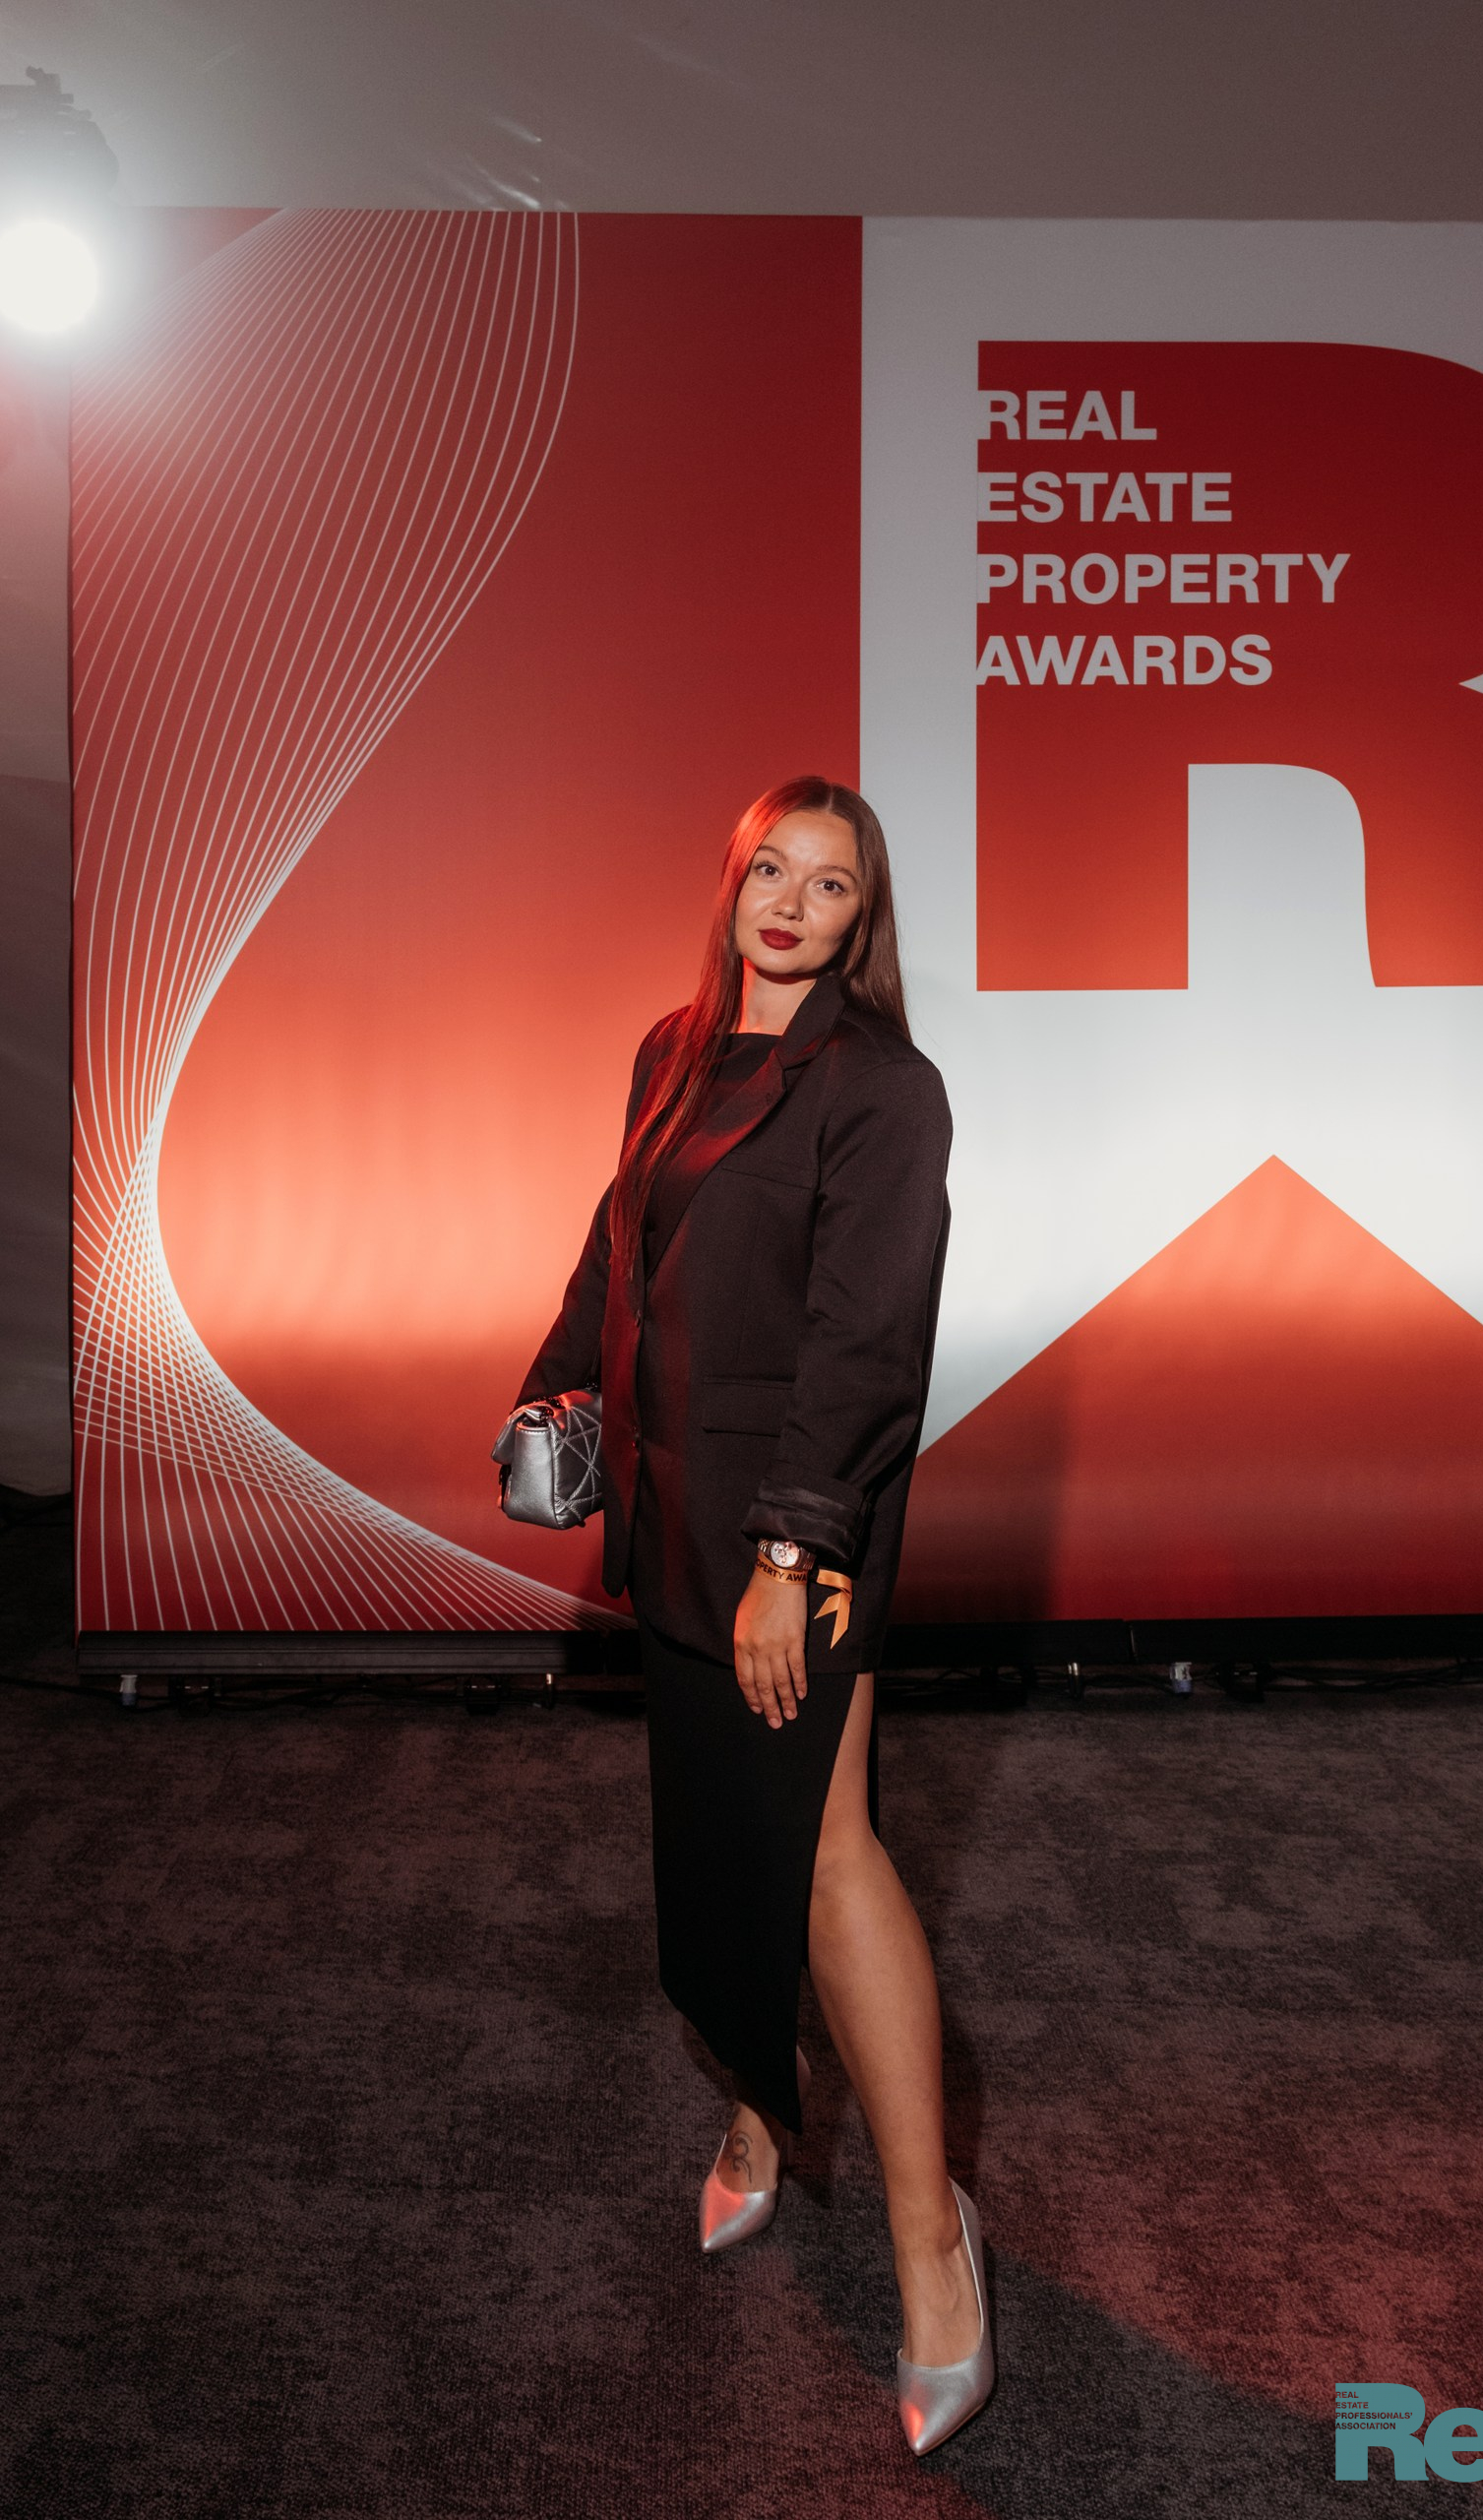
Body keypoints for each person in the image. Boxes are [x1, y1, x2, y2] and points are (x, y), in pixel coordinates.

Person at [513, 775, 991, 2454]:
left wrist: (791, 1556)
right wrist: (557, 1388)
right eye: (769, 871)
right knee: (717, 1844)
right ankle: (760, 2115)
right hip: (669, 1514)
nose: (789, 905)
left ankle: (934, 2243)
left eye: (829, 885)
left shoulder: (885, 1090)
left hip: (801, 1530)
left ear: (865, 919)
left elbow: (869, 1348)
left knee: (826, 1852)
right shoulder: (672, 1049)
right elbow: (617, 1245)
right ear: (730, 885)